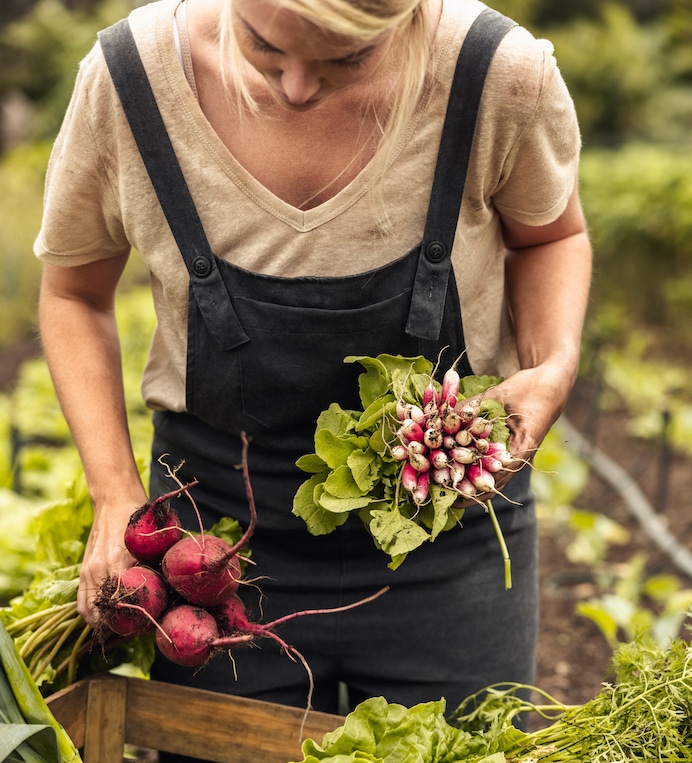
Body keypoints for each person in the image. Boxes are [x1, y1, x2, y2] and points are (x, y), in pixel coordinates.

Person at [34, 0, 591, 718]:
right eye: (264, 45)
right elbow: (74, 293)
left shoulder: (496, 77)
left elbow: (550, 236)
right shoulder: (130, 79)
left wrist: (552, 363)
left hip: (448, 526)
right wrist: (114, 497)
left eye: (346, 58)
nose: (296, 88)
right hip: (213, 549)